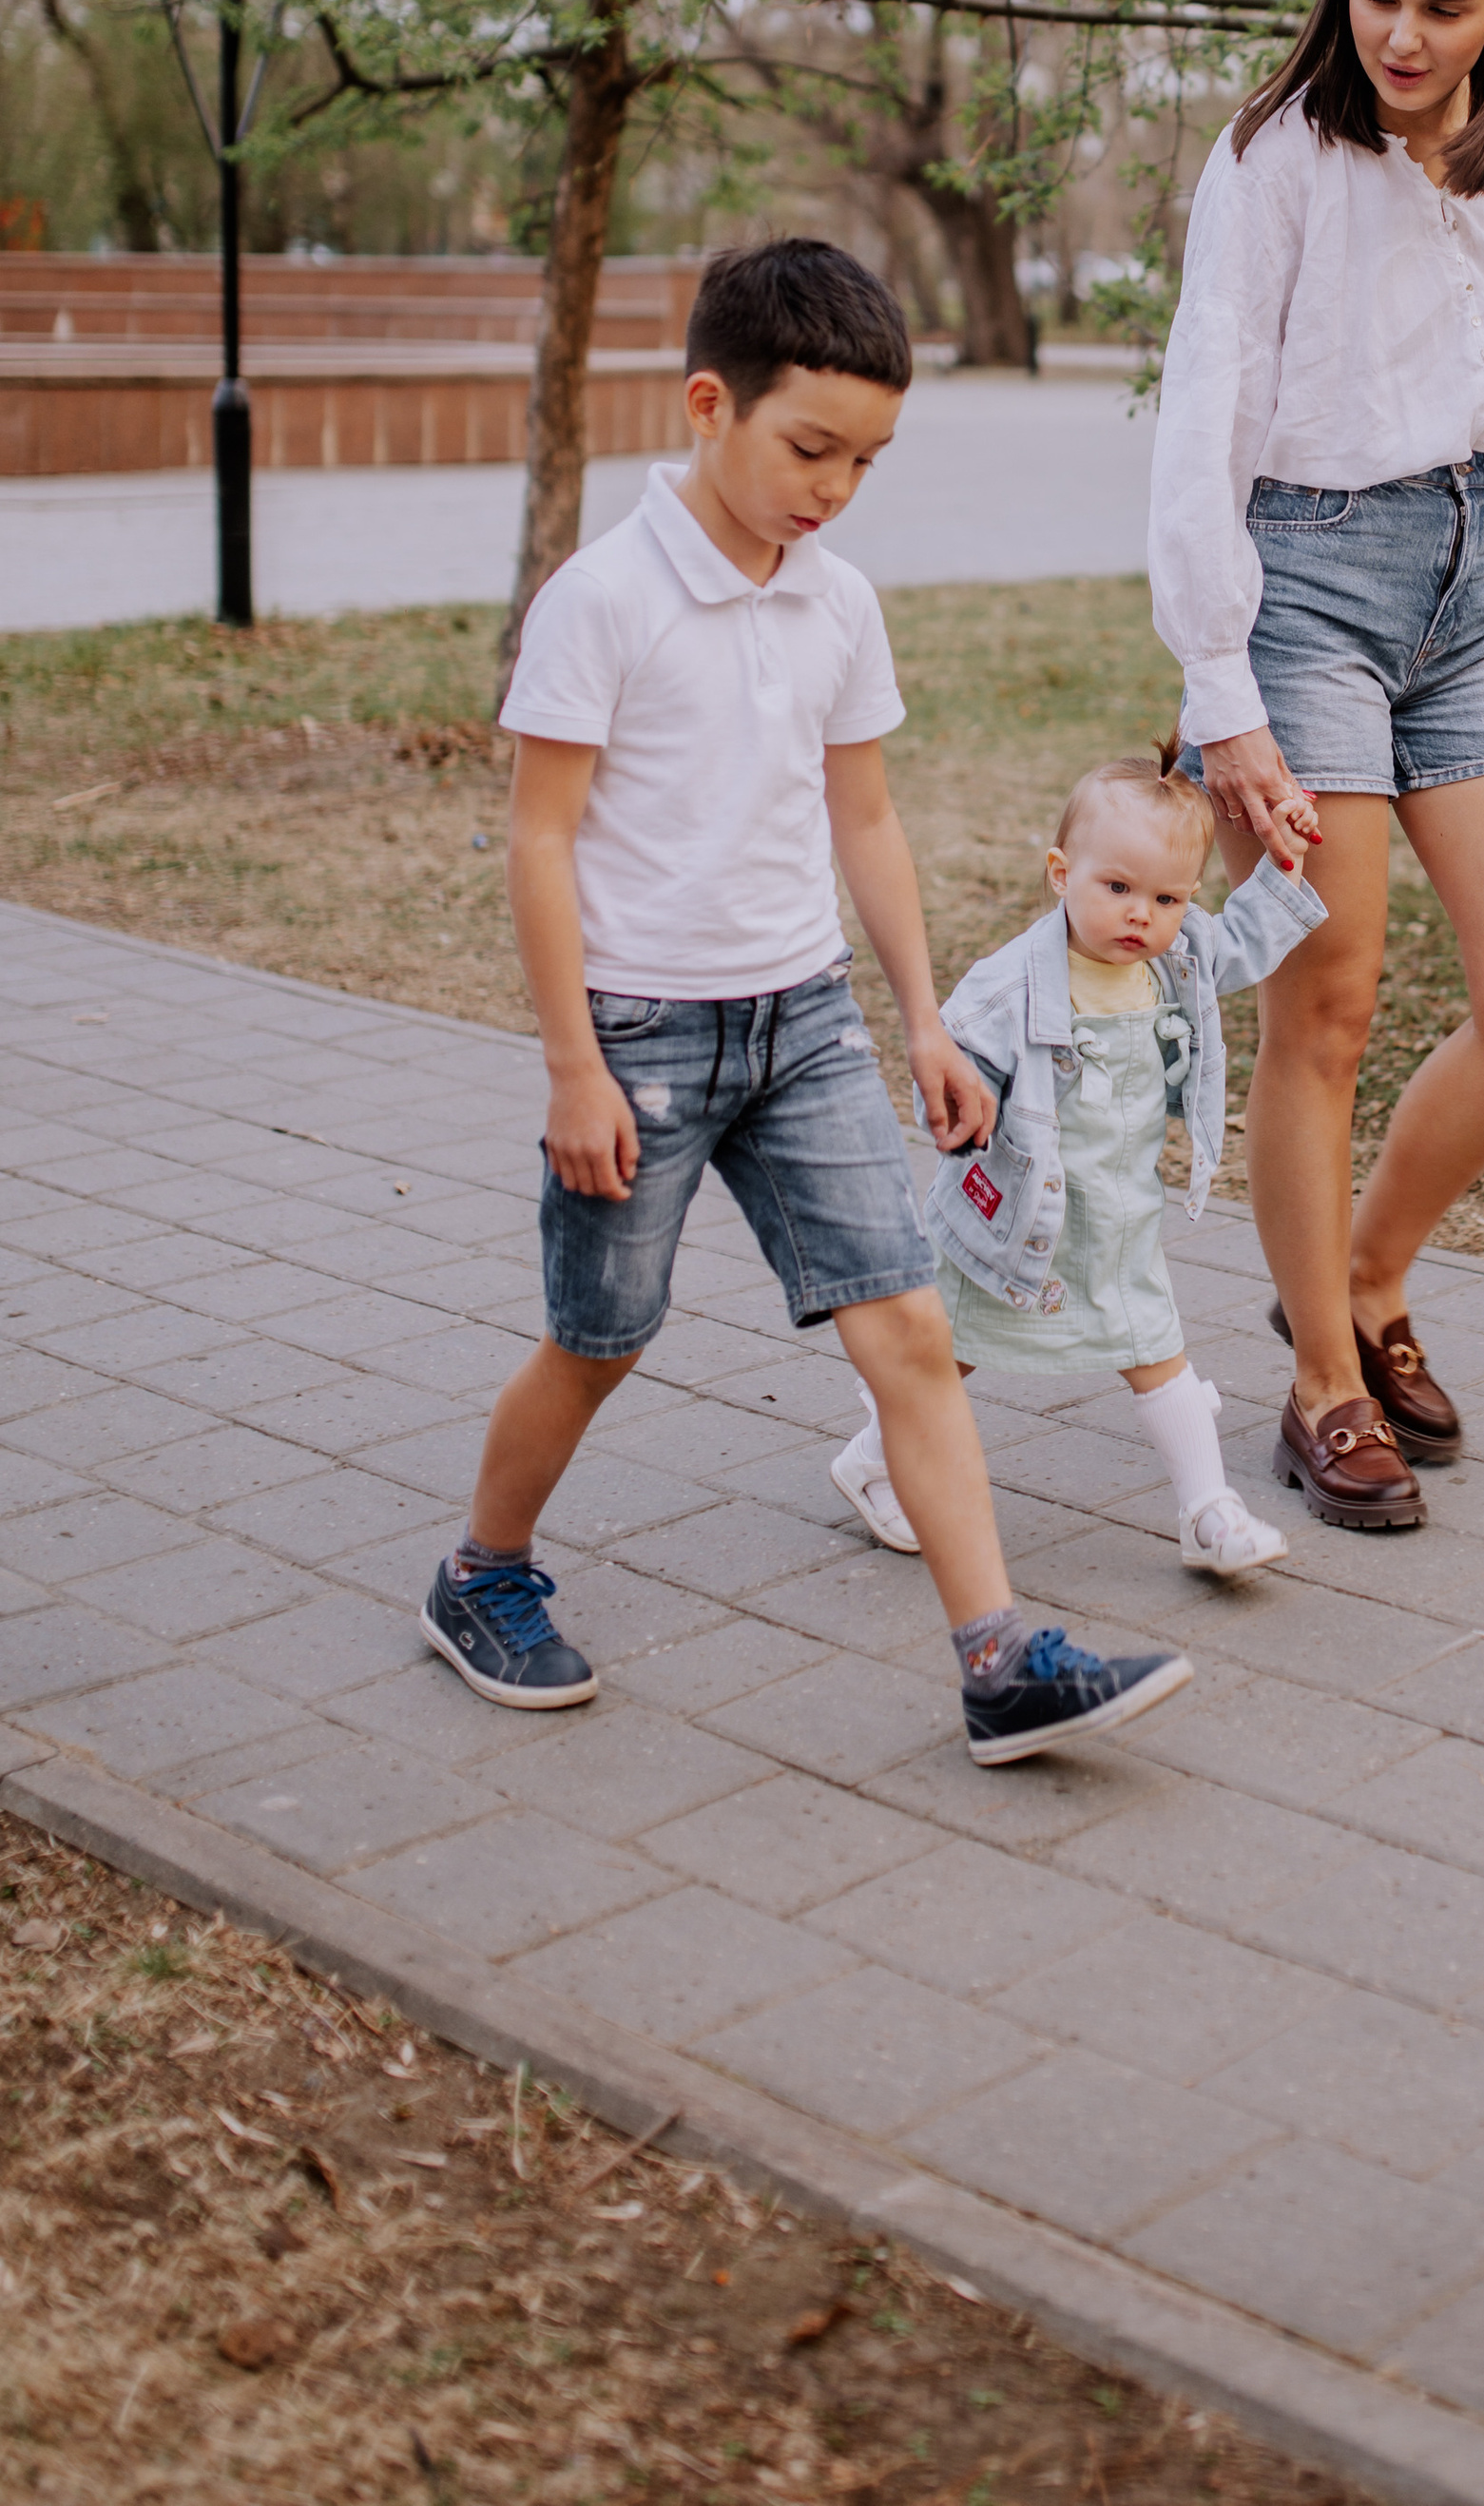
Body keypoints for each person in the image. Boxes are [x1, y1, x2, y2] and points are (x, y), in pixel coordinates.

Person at [420, 240, 1194, 1768]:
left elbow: (866, 822)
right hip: (639, 1037)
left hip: (805, 1023)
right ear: (710, 404)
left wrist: (920, 1018)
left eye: (868, 460)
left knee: (907, 1326)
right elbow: (540, 839)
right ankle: (480, 1575)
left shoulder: (838, 602)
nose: (836, 487)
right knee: (600, 1337)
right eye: (810, 448)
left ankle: (998, 1658)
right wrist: (573, 1067)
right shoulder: (605, 599)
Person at [1149, 0, 1484, 1533]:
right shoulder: (1276, 156)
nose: (1401, 39)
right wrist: (1227, 695)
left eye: (1440, 9)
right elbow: (1203, 413)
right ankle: (1327, 1391)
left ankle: (1360, 1271)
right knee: (1327, 1007)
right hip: (1303, 590)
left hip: (1474, 583)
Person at [834, 746, 1324, 1577]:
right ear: (1063, 873)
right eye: (1118, 888)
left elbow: (1241, 942)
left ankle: (1208, 1512)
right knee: (948, 1350)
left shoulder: (1174, 960)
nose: (1142, 915)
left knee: (1156, 1345)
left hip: (1118, 1217)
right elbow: (946, 1071)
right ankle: (874, 1459)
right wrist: (957, 1119)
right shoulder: (1009, 987)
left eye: (1167, 898)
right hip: (1014, 1215)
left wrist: (1285, 864)